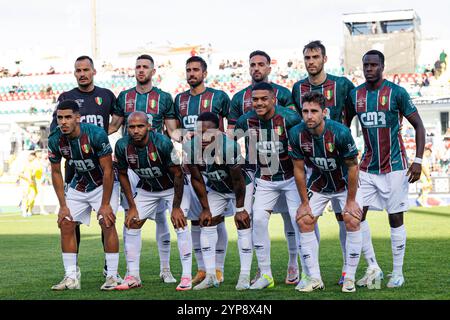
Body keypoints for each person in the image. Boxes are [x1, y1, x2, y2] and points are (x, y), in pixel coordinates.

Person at [346, 50, 425, 288]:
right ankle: (373, 267)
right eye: (365, 65)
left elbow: (419, 125)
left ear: (382, 66)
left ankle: (397, 272)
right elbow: (343, 126)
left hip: (395, 166)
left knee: (395, 218)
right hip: (367, 167)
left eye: (373, 65)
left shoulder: (397, 93)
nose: (369, 68)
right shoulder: (355, 94)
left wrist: (418, 160)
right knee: (355, 216)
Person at [228, 50, 301, 287]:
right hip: (262, 175)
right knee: (257, 220)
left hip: (290, 175)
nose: (256, 68)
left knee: (298, 220)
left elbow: (300, 140)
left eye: (261, 64)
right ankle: (265, 273)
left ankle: (298, 266)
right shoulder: (240, 103)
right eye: (253, 64)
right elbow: (231, 138)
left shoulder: (288, 112)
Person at [109, 54, 179, 283]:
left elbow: (172, 130)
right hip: (131, 164)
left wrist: (192, 138)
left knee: (161, 217)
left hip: (158, 162)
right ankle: (130, 271)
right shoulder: (124, 96)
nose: (140, 70)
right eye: (137, 66)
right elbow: (113, 126)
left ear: (153, 70)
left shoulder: (164, 97)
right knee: (131, 215)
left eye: (145, 67)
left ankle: (166, 268)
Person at [292, 40, 356, 285]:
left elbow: (353, 112)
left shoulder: (342, 84)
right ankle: (311, 276)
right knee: (305, 217)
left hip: (341, 157)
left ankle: (359, 270)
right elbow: (297, 121)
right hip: (316, 165)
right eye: (307, 58)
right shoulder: (298, 89)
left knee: (351, 217)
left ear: (324, 59)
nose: (311, 62)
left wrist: (339, 134)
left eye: (315, 57)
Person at [50, 55, 119, 280]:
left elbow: (118, 120)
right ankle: (73, 272)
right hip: (76, 169)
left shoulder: (106, 95)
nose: (82, 73)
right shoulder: (66, 98)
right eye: (78, 70)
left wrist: (97, 140)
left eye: (85, 69)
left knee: (106, 219)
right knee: (69, 222)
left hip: (100, 162)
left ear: (93, 71)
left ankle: (111, 271)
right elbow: (56, 132)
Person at [289, 91, 363, 293]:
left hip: (345, 183)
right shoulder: (296, 133)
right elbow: (298, 169)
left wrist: (350, 201)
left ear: (325, 112)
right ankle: (314, 279)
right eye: (305, 111)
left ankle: (349, 277)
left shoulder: (340, 132)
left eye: (314, 111)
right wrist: (304, 203)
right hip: (320, 183)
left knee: (352, 219)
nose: (309, 116)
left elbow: (352, 167)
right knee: (304, 219)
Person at [114, 111, 193, 291]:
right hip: (147, 188)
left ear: (149, 126)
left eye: (140, 126)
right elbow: (123, 175)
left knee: (180, 224)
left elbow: (178, 174)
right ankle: (133, 275)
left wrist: (176, 207)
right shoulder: (121, 145)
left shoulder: (163, 143)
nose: (135, 130)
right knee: (132, 223)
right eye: (132, 127)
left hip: (173, 188)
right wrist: (132, 207)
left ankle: (186, 276)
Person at [173, 56, 231, 286]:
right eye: (188, 69)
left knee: (216, 220)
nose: (191, 73)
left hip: (214, 166)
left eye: (196, 69)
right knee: (196, 220)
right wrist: (181, 136)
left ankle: (218, 268)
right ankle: (201, 269)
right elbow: (173, 130)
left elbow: (231, 127)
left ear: (204, 73)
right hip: (191, 166)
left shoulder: (219, 97)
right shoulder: (179, 99)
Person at [184, 112, 252, 290]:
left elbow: (238, 181)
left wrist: (240, 209)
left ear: (219, 130)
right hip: (216, 188)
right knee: (206, 222)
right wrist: (205, 208)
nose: (204, 137)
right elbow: (197, 179)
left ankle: (244, 276)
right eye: (199, 132)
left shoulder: (229, 146)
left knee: (243, 224)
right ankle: (211, 275)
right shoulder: (190, 147)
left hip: (240, 188)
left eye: (208, 132)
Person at [18, 152, 41, 217]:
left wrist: (33, 180)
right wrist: (28, 179)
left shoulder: (33, 164)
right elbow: (20, 174)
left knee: (33, 196)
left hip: (32, 183)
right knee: (25, 196)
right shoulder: (24, 163)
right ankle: (24, 211)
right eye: (32, 157)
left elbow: (33, 174)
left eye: (34, 157)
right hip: (25, 183)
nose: (33, 158)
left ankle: (29, 209)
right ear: (29, 156)